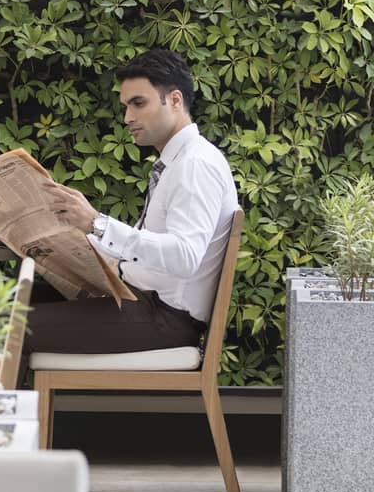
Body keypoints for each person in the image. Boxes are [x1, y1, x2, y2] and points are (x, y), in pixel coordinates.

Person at [29, 49, 239, 374]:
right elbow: (148, 251)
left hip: (163, 318)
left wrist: (98, 224)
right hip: (140, 300)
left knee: (7, 324)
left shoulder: (196, 165)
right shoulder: (177, 162)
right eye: (126, 106)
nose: (127, 117)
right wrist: (73, 237)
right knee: (17, 299)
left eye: (138, 103)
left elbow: (185, 255)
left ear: (174, 100)